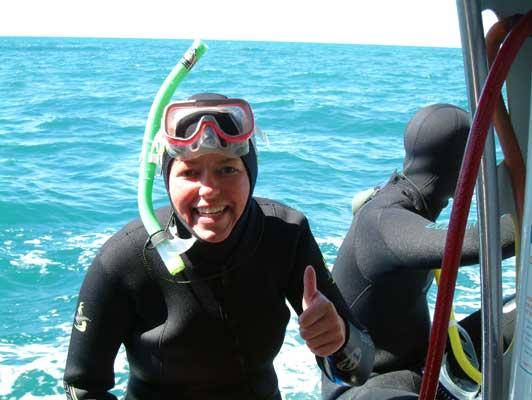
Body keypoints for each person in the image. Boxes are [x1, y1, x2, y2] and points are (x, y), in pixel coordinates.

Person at [63, 93, 375, 400]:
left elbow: (357, 372)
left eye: (227, 169)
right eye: (189, 172)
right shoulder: (126, 257)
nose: (209, 190)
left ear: (250, 174)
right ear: (167, 179)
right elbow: (82, 386)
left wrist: (338, 340)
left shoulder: (286, 235)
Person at [322, 103, 516, 400]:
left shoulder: (406, 205)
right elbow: (472, 243)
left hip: (419, 364)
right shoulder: (386, 219)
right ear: (463, 165)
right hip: (366, 386)